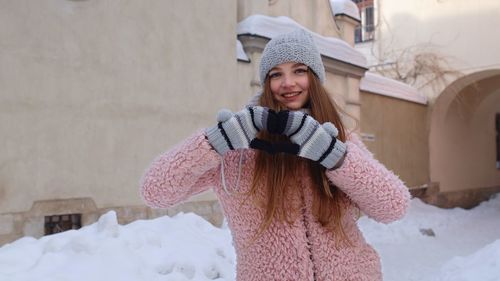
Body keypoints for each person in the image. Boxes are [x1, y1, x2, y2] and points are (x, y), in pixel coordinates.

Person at [140, 29, 411, 281]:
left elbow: (394, 207)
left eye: (299, 71)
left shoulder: (338, 139)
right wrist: (213, 143)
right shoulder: (239, 151)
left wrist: (335, 157)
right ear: (266, 82)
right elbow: (156, 191)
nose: (288, 83)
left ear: (314, 78)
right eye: (276, 74)